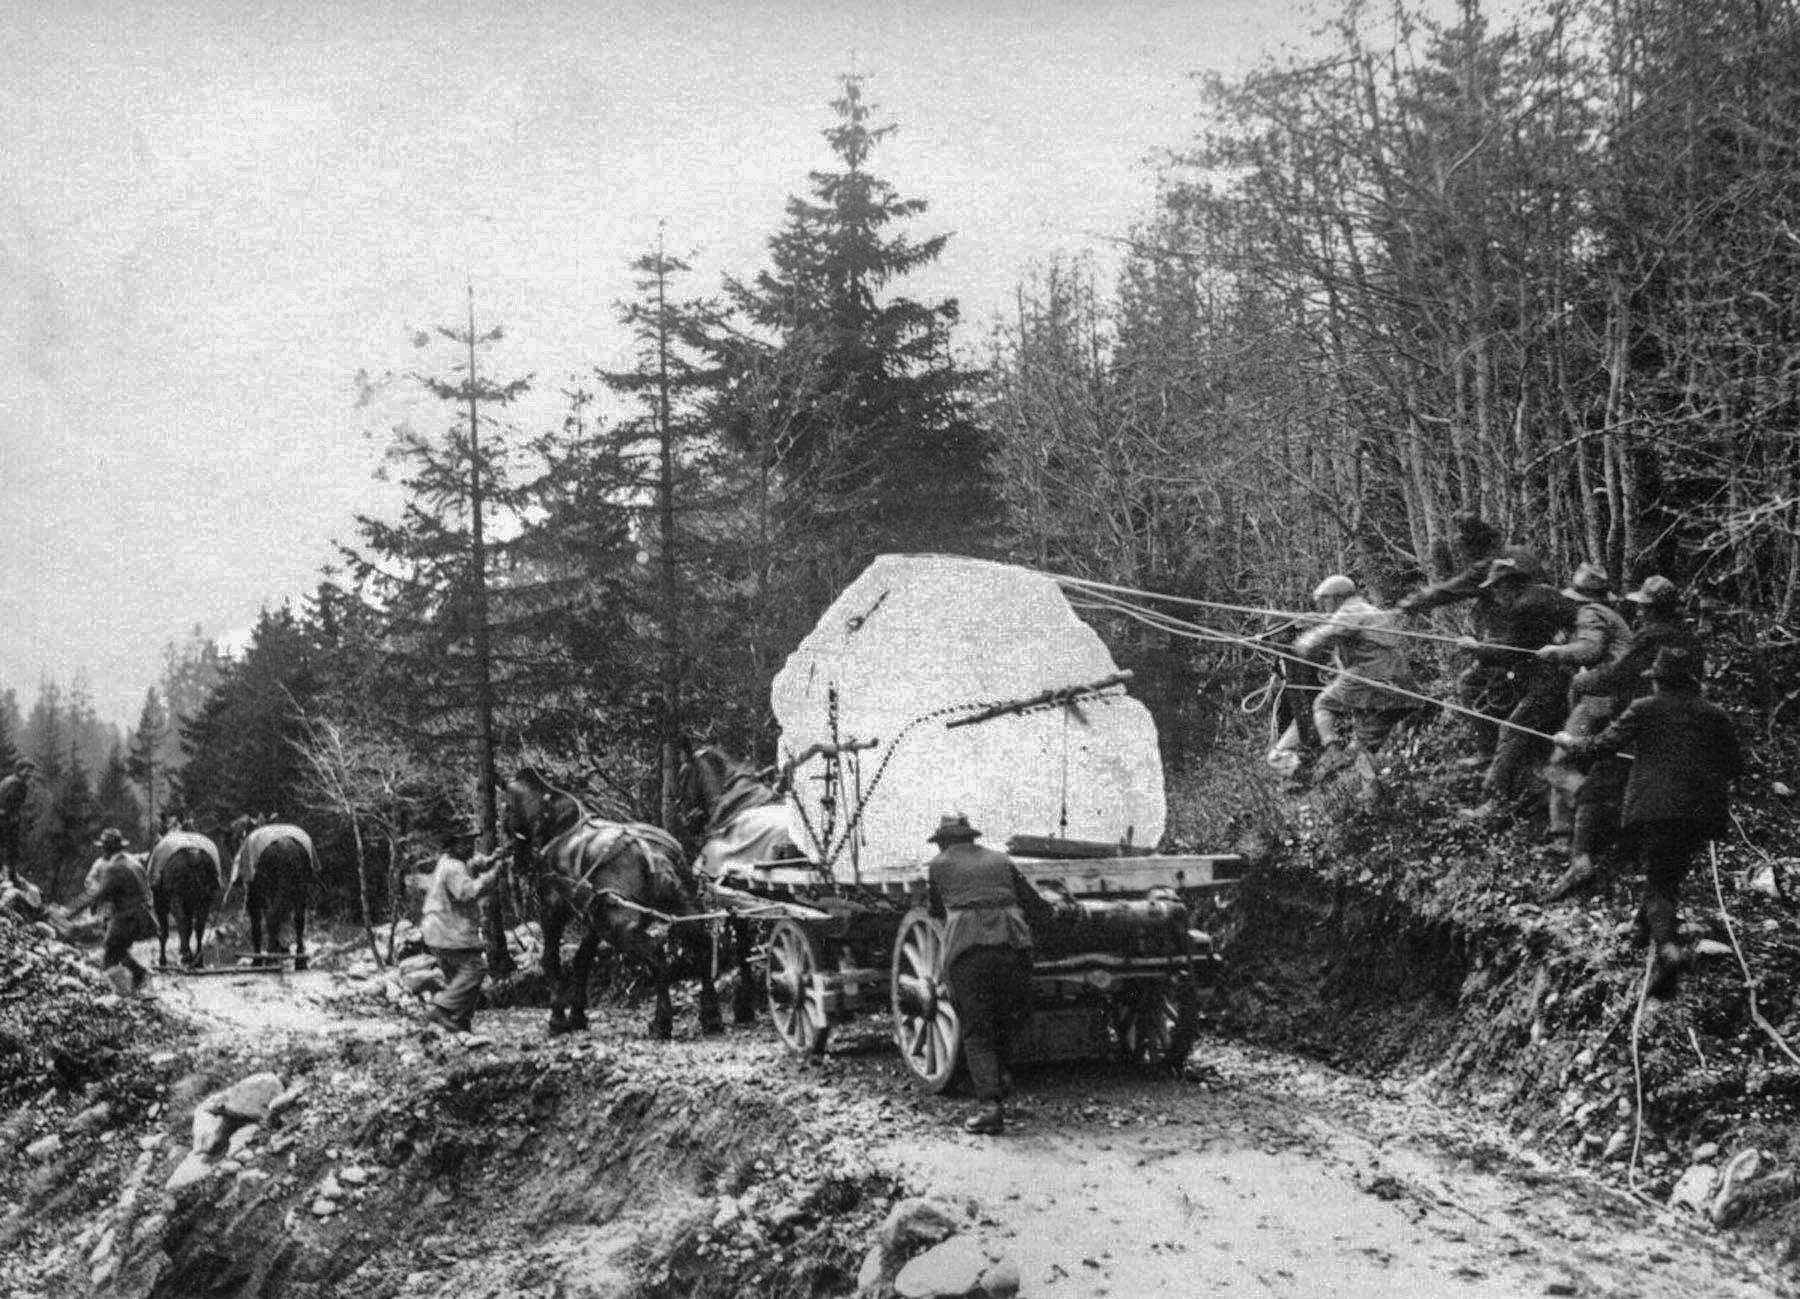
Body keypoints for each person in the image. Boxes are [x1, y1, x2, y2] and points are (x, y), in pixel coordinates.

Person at [1556, 647, 1742, 997]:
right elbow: (1735, 766)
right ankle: (1644, 927)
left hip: (1656, 809)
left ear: (1658, 682)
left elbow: (1602, 746)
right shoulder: (1715, 715)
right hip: (1701, 812)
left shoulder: (1645, 708)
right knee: (1668, 872)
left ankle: (1668, 950)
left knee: (1660, 881)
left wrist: (1570, 743)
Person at [1547, 575, 1704, 899]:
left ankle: (1582, 860)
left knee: (1599, 783)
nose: (1640, 613)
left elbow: (1618, 676)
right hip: (1687, 727)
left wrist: (1582, 683)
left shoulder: (1648, 637)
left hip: (1642, 719)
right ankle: (1631, 857)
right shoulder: (1691, 640)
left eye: (1643, 607)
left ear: (1650, 610)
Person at [924, 812, 1059, 1135]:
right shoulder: (1001, 860)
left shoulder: (939, 866)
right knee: (1006, 1017)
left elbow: (935, 911)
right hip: (1012, 945)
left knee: (977, 1029)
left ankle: (989, 1107)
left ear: (942, 842)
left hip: (968, 950)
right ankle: (1000, 1077)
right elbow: (1035, 905)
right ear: (972, 837)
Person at [1396, 513, 1544, 770]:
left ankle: (1490, 754)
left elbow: (1450, 589)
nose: (1463, 556)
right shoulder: (1519, 552)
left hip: (1518, 642)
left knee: (1470, 684)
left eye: (1465, 549)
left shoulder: (1490, 566)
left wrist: (1412, 603)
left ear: (1475, 544)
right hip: (1542, 634)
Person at [1458, 558, 1577, 820]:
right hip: (1559, 675)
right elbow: (1523, 644)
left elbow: (1513, 650)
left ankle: (1494, 802)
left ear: (1509, 585)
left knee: (1512, 731)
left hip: (1549, 683)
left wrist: (1477, 648)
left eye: (1497, 589)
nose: (1495, 595)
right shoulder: (1543, 594)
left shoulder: (1524, 607)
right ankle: (1532, 788)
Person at [1535, 564, 1632, 858]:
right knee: (1571, 758)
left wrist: (1556, 652)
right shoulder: (1608, 616)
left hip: (1600, 698)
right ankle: (1562, 834)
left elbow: (1590, 651)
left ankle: (1595, 808)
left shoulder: (1590, 613)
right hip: (1611, 696)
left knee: (1559, 764)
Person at [1292, 575, 1419, 771]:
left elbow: (1330, 633)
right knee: (1363, 744)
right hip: (1399, 682)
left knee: (1323, 704)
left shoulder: (1351, 611)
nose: (1322, 605)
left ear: (1336, 598)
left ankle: (1332, 750)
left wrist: (1304, 644)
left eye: (1324, 600)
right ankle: (1371, 786)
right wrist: (1315, 620)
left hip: (1370, 676)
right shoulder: (1366, 609)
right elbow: (1340, 623)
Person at [420, 824, 504, 1035]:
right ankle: (441, 1009)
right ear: (452, 845)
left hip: (441, 931)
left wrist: (492, 859)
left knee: (458, 975)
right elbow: (468, 892)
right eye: (464, 842)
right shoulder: (453, 868)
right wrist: (494, 873)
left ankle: (459, 1021)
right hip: (448, 931)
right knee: (475, 968)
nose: (470, 846)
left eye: (471, 841)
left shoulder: (454, 861)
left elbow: (475, 863)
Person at [62, 828, 157, 995]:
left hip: (125, 918)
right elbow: (146, 891)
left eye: (103, 848)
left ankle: (130, 987)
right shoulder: (133, 862)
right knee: (115, 950)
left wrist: (68, 912)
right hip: (140, 916)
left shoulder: (113, 868)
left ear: (106, 849)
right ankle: (138, 980)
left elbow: (95, 895)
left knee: (109, 957)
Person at [0, 759, 34, 884]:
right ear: (20, 770)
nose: (30, 774)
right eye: (27, 770)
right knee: (11, 847)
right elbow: (11, 801)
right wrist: (13, 815)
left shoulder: (7, 780)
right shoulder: (19, 784)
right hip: (7, 819)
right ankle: (11, 875)